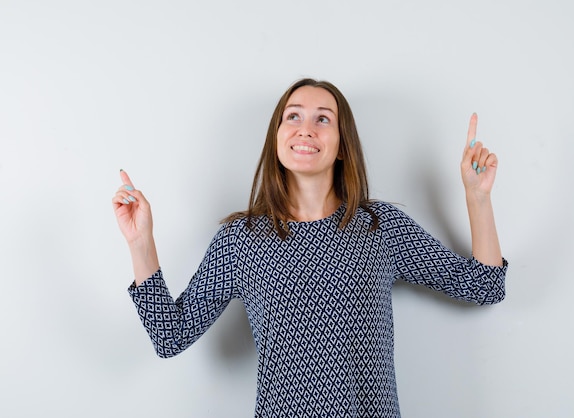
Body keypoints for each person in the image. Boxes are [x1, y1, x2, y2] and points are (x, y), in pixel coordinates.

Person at [112, 78, 507, 417]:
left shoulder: (380, 227)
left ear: (340, 146)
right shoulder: (241, 240)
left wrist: (477, 197)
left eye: (323, 119)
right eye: (293, 116)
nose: (305, 129)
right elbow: (170, 335)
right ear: (278, 138)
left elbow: (484, 286)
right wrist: (141, 242)